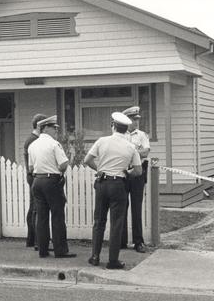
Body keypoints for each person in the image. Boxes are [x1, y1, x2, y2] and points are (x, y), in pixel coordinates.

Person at [84, 112, 142, 269]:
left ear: (113, 126)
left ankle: (95, 256)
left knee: (99, 222)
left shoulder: (102, 141)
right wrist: (127, 173)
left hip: (102, 183)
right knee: (116, 223)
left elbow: (87, 160)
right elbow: (138, 171)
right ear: (126, 129)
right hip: (118, 185)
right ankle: (113, 260)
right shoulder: (131, 147)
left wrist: (99, 170)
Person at [27, 115, 76, 259]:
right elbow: (63, 164)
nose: (56, 130)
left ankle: (43, 250)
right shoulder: (54, 144)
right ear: (45, 128)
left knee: (41, 216)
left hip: (37, 181)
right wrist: (60, 170)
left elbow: (30, 167)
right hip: (51, 181)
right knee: (57, 215)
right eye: (54, 128)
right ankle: (60, 250)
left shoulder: (33, 145)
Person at [121, 105, 150, 253]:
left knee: (137, 207)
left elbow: (145, 152)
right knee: (122, 206)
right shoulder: (120, 134)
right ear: (127, 120)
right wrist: (135, 151)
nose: (136, 122)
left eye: (137, 119)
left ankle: (138, 241)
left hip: (138, 173)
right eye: (133, 119)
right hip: (125, 172)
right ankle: (122, 241)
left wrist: (131, 151)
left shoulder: (142, 135)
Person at [23, 113, 47, 249]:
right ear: (39, 125)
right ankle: (36, 239)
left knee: (34, 207)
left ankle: (31, 239)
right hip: (34, 175)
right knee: (36, 208)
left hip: (31, 175)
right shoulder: (33, 140)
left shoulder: (31, 139)